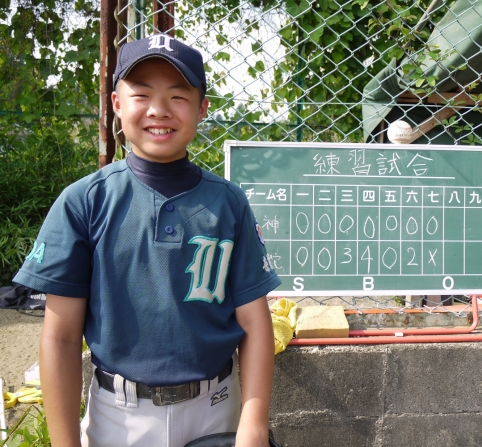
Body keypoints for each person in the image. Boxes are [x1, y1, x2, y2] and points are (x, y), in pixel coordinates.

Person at [13, 34, 281, 447]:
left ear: (202, 109)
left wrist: (254, 424)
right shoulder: (85, 202)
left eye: (178, 96)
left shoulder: (228, 203)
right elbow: (61, 336)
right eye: (141, 94)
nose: (159, 110)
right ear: (117, 104)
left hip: (216, 407)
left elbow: (254, 321)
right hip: (119, 417)